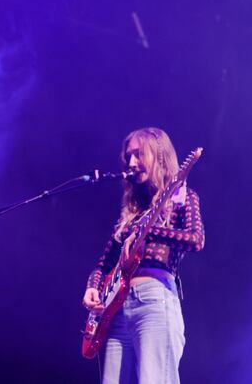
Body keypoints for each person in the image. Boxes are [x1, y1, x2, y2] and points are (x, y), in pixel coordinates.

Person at [82, 127, 205, 384]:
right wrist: (93, 287)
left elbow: (195, 239)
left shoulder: (182, 198)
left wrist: (150, 232)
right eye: (128, 156)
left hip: (154, 300)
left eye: (139, 155)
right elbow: (104, 265)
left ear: (159, 156)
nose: (132, 163)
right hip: (114, 311)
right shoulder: (130, 213)